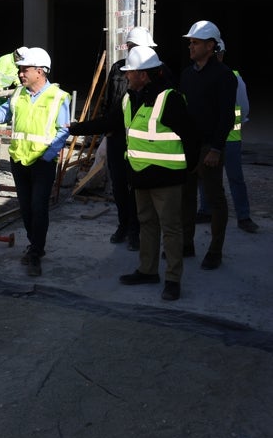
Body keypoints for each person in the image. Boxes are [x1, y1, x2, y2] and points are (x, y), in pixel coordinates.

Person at [0, 47, 70, 278]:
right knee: (26, 209)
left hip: (42, 162)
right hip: (18, 160)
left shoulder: (58, 97)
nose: (20, 74)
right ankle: (34, 244)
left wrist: (46, 156)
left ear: (40, 71)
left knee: (38, 207)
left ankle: (36, 251)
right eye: (20, 70)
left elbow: (62, 132)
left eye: (24, 70)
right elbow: (1, 116)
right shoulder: (18, 94)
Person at [112, 46, 195, 301]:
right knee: (147, 223)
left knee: (171, 228)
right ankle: (147, 270)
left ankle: (173, 279)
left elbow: (191, 137)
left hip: (167, 177)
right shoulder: (130, 98)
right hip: (140, 175)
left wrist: (186, 170)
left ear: (144, 75)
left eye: (131, 72)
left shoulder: (169, 99)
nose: (126, 76)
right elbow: (110, 123)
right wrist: (73, 129)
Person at [179, 20, 237, 270]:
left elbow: (226, 116)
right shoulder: (187, 74)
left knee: (215, 200)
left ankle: (215, 251)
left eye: (195, 42)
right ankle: (186, 244)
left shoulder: (224, 76)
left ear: (210, 45)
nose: (190, 46)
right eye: (190, 42)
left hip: (208, 148)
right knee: (186, 198)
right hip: (188, 147)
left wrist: (216, 148)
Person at [100, 26, 157, 251]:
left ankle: (137, 230)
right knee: (119, 186)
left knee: (138, 187)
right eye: (130, 47)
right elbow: (108, 100)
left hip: (140, 140)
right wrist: (106, 127)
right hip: (117, 137)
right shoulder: (118, 68)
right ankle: (123, 225)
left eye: (136, 47)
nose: (132, 50)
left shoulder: (156, 72)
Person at [196, 39, 259, 233]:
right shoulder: (199, 76)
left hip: (229, 139)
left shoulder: (233, 78)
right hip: (211, 139)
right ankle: (211, 211)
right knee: (206, 178)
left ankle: (242, 215)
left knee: (233, 178)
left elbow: (244, 108)